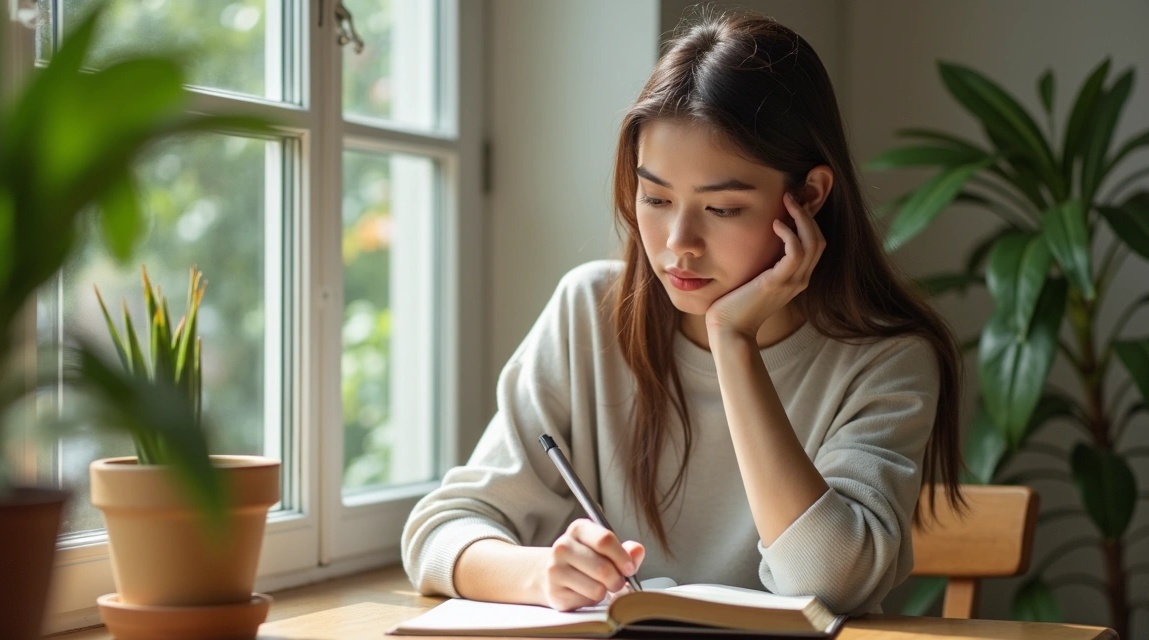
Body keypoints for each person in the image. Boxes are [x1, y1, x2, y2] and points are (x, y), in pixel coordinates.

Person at [400, 9, 964, 617]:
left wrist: (732, 340)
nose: (678, 244)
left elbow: (829, 583)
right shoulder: (591, 312)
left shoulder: (887, 359)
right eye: (656, 198)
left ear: (808, 196)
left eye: (722, 209)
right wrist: (542, 574)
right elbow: (439, 533)